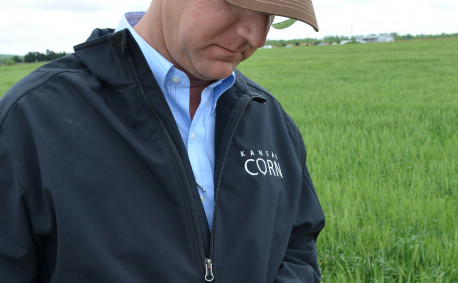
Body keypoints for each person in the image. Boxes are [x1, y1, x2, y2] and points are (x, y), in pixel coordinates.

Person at [0, 0, 325, 282]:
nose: (257, 36)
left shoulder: (269, 117)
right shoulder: (30, 119)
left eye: (272, 16)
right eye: (242, 4)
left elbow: (297, 244)